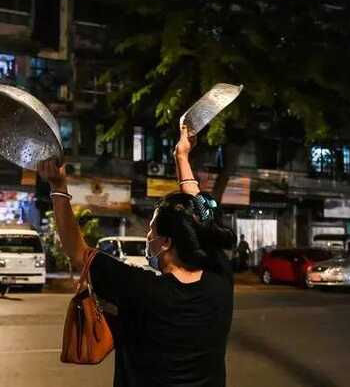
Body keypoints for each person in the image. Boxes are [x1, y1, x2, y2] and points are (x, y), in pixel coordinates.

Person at [37, 123, 236, 387]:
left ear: (165, 242)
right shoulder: (219, 280)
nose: (147, 236)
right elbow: (202, 219)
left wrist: (58, 186)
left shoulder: (140, 288)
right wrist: (182, 157)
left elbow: (78, 253)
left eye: (151, 229)